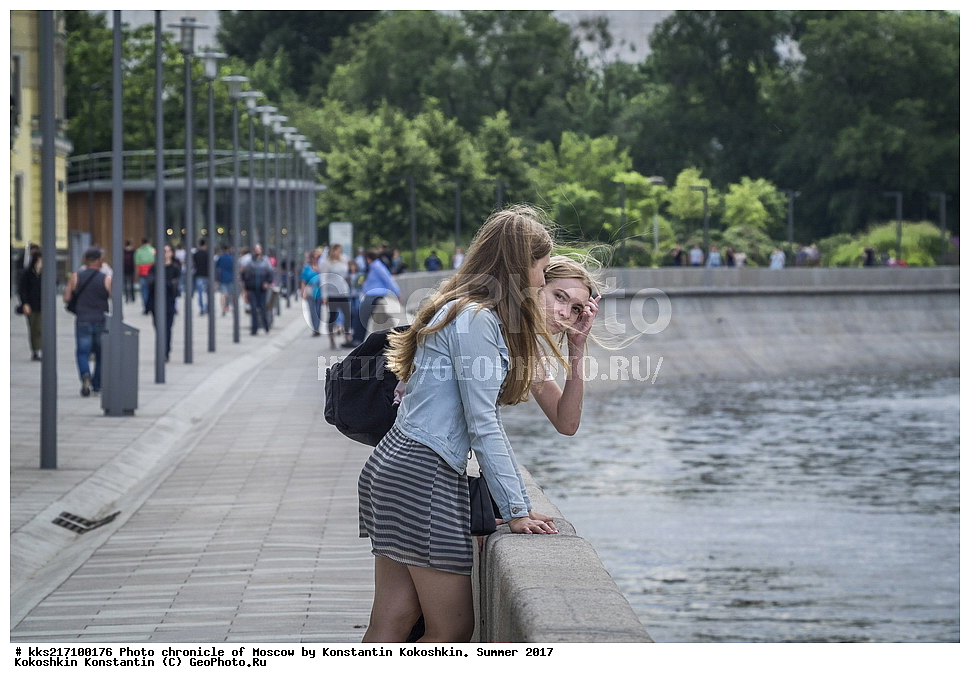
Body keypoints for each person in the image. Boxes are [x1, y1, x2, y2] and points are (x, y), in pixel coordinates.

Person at [358, 205, 560, 643]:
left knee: (391, 619)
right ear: (518, 265)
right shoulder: (477, 320)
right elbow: (483, 422)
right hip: (423, 473)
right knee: (451, 628)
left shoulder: (455, 307)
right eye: (542, 268)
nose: (543, 280)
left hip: (395, 462)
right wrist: (516, 509)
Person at [62, 246, 111, 396]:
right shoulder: (106, 278)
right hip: (100, 320)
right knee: (101, 353)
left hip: (82, 319)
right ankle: (97, 384)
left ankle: (85, 375)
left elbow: (66, 298)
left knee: (82, 352)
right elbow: (114, 297)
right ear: (99, 260)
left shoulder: (76, 276)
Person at [348, 249, 401, 347]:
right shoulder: (374, 266)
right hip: (371, 295)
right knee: (358, 314)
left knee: (360, 315)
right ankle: (356, 339)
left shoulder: (377, 266)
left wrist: (397, 292)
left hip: (374, 295)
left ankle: (357, 339)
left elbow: (388, 279)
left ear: (368, 259)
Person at [147, 243, 181, 362]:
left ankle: (165, 351)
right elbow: (150, 283)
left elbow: (175, 286)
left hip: (169, 302)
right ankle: (161, 350)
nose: (164, 253)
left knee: (167, 328)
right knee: (158, 328)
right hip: (155, 302)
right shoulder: (155, 268)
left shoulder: (175, 267)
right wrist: (167, 282)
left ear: (171, 253)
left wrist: (164, 282)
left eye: (166, 251)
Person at [319, 243, 354, 349]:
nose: (339, 252)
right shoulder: (327, 263)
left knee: (347, 315)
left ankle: (347, 336)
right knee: (332, 316)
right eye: (337, 250)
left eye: (340, 250)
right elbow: (323, 278)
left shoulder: (344, 260)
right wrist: (324, 295)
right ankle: (331, 338)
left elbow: (348, 273)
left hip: (343, 291)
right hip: (332, 292)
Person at [241, 243, 274, 335]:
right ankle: (254, 328)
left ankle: (266, 325)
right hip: (252, 288)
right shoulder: (250, 262)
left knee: (263, 308)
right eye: (256, 249)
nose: (257, 251)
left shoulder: (265, 261)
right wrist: (246, 287)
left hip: (262, 289)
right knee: (254, 308)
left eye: (259, 249)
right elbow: (245, 275)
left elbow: (270, 273)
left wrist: (267, 282)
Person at [17, 250, 43, 361]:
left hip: (43, 305)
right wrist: (25, 303)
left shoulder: (45, 273)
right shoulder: (27, 273)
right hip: (31, 305)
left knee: (41, 329)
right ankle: (36, 351)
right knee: (33, 329)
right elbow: (22, 290)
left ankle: (41, 349)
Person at [301, 248, 323, 337]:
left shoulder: (322, 267)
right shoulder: (307, 268)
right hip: (310, 290)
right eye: (314, 257)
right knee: (312, 310)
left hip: (320, 291)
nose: (315, 259)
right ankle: (315, 328)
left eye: (317, 257)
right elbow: (303, 281)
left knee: (319, 310)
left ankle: (318, 326)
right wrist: (304, 292)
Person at [134, 237, 155, 314]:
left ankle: (146, 307)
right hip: (151, 273)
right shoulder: (153, 250)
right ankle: (152, 306)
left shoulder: (138, 251)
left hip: (142, 273)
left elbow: (137, 265)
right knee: (152, 291)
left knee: (144, 291)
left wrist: (136, 276)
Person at [215, 244, 235, 315]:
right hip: (232, 277)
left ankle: (224, 308)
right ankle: (233, 307)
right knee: (232, 293)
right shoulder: (232, 258)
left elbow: (217, 268)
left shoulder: (220, 258)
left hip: (222, 277)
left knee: (223, 294)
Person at [192, 238, 210, 315]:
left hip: (199, 274)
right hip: (207, 275)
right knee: (208, 293)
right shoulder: (208, 254)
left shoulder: (196, 254)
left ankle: (202, 308)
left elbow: (194, 264)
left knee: (200, 293)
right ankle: (208, 307)